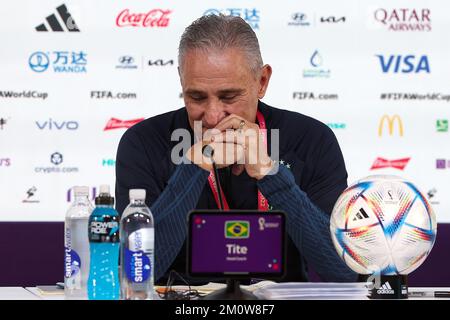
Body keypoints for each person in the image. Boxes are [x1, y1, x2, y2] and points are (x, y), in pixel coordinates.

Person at [115, 14, 357, 285]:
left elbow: (343, 270)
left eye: (229, 96)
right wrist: (191, 171)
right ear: (181, 82)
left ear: (262, 82)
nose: (213, 116)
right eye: (196, 97)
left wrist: (271, 174)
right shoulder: (143, 141)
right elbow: (135, 270)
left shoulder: (311, 139)